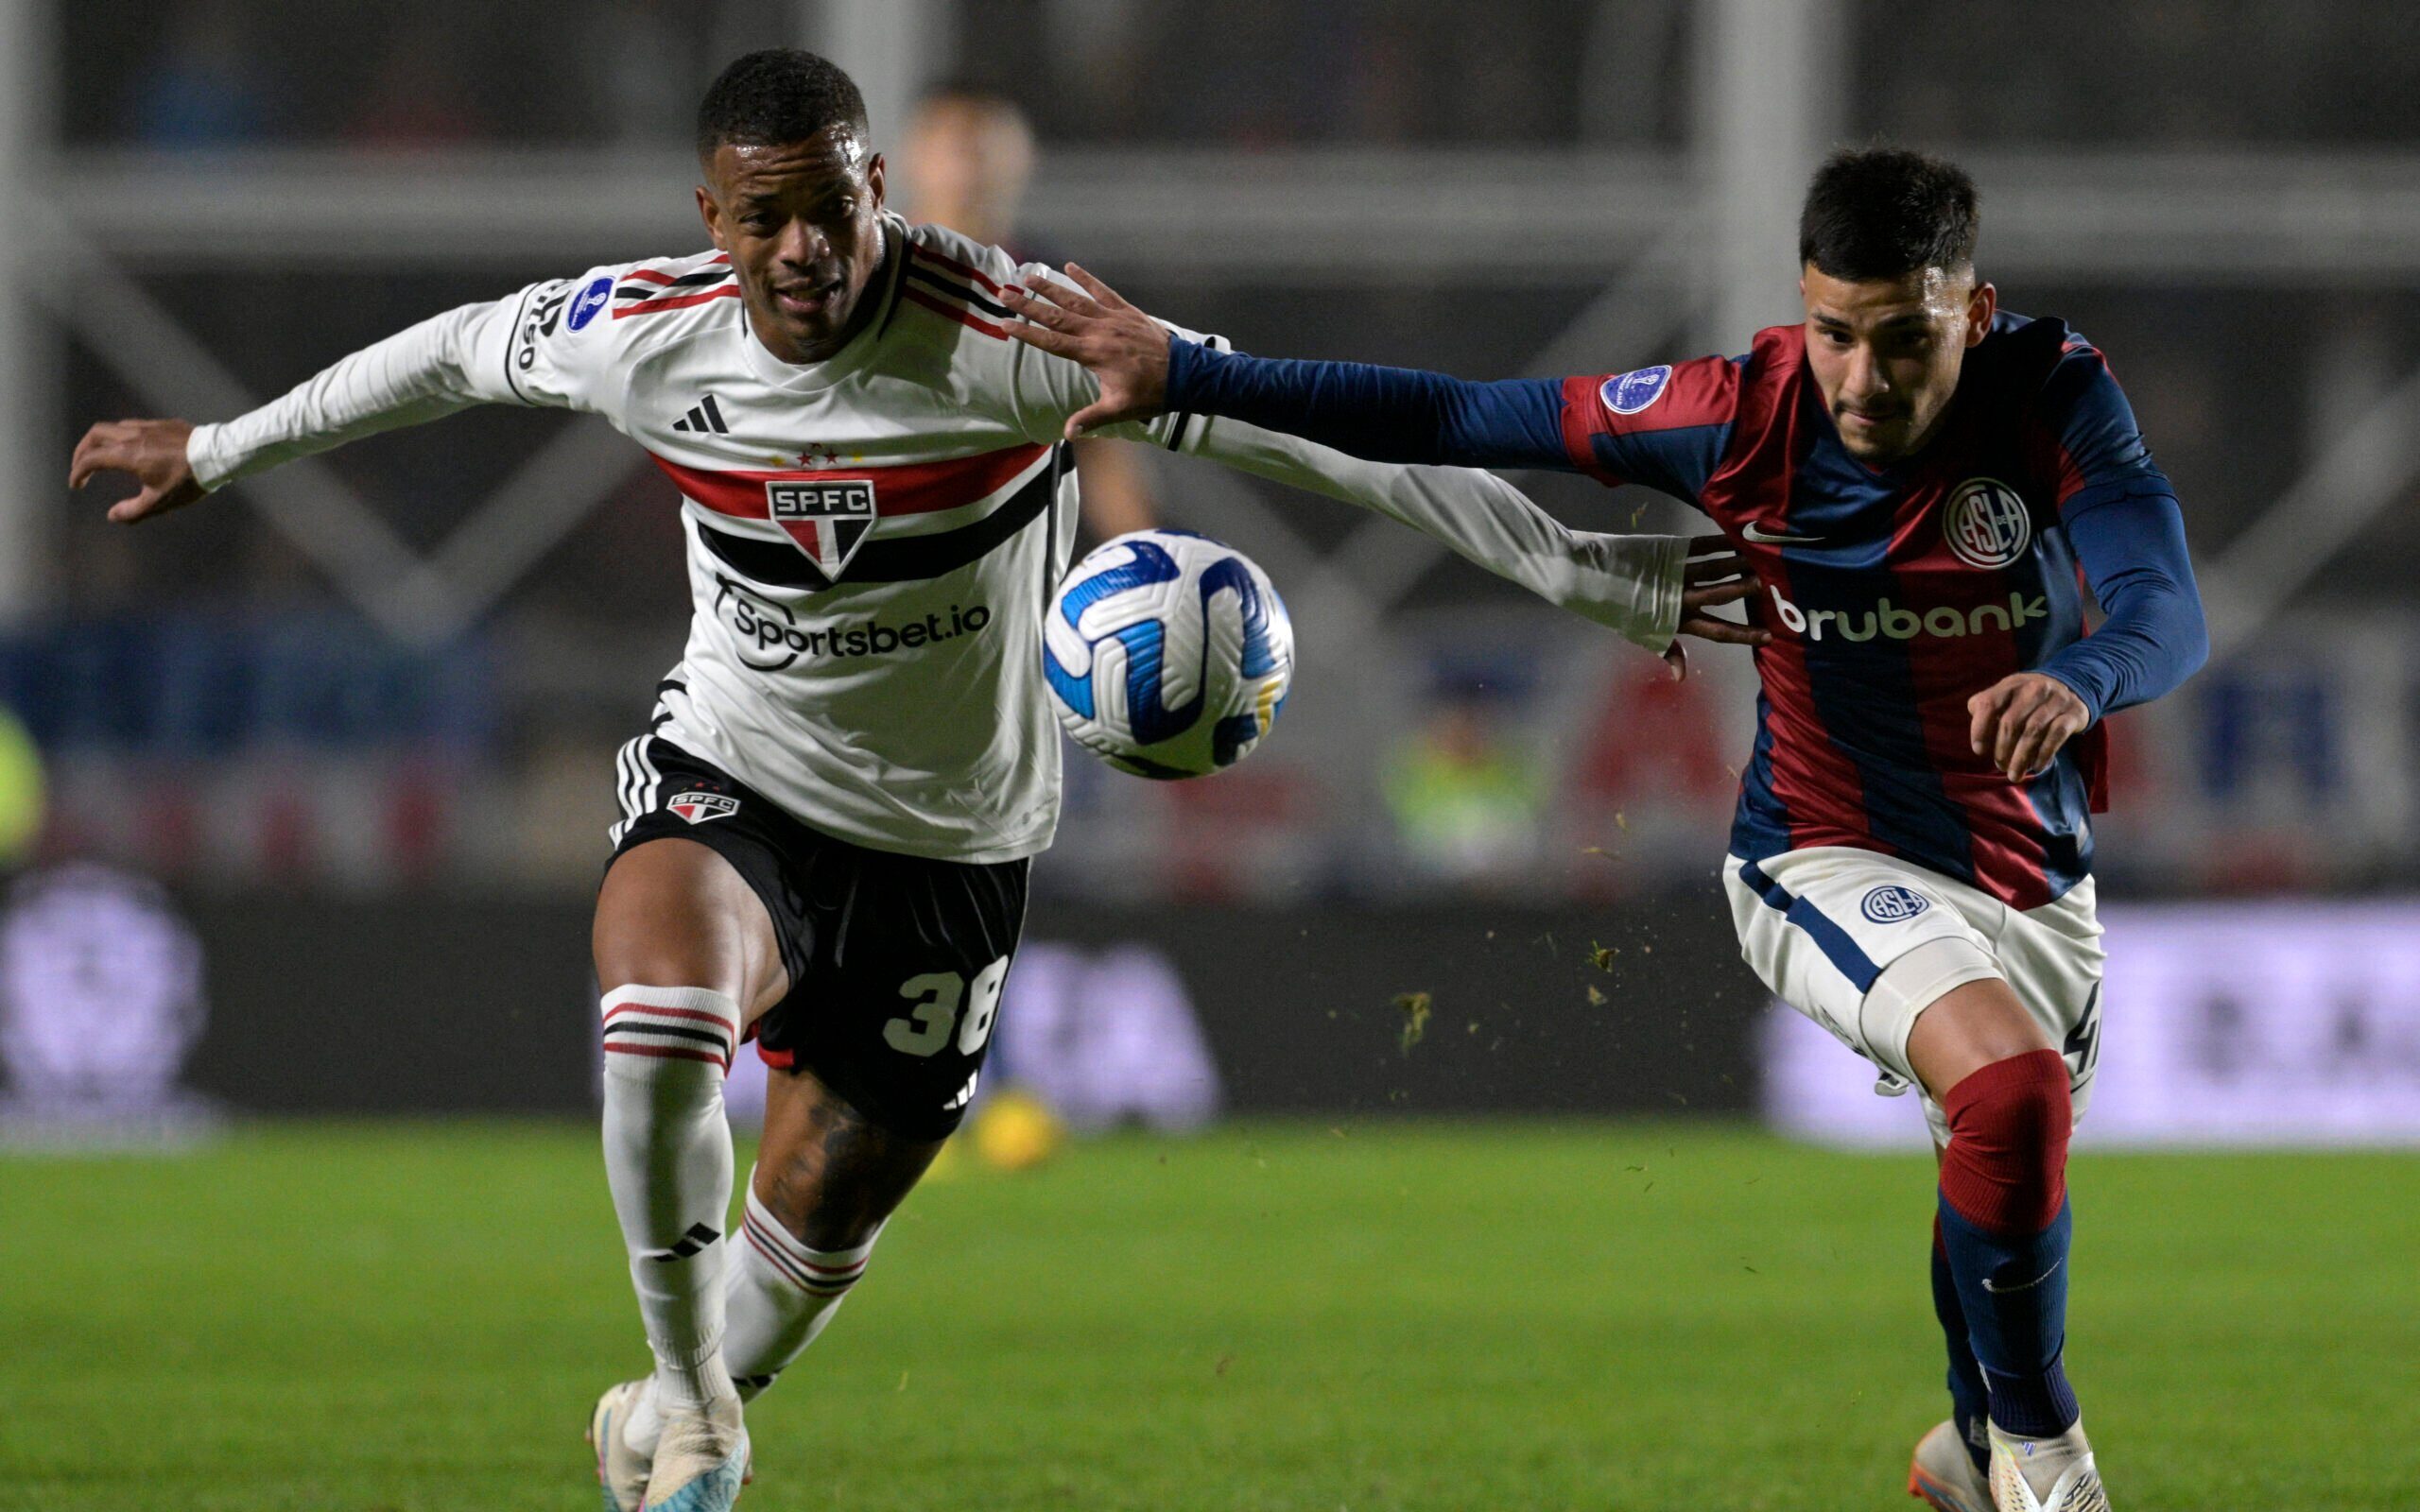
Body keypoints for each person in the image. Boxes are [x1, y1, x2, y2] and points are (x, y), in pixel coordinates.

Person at [68, 49, 1753, 1512]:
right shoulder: (638, 331)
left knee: (816, 1221)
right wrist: (221, 451)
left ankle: (674, 1402)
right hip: (737, 770)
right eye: (761, 218)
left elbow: (1309, 437)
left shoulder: (1014, 336)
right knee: (657, 1018)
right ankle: (692, 1388)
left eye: (831, 207)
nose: (802, 250)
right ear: (711, 218)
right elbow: (444, 355)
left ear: (877, 184)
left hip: (957, 840)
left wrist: (1592, 575)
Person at [1003, 146, 2207, 1512]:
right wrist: (1192, 373)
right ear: (1802, 310)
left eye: (1903, 342)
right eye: (1834, 336)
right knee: (2007, 1091)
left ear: (1972, 316)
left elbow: (2162, 596)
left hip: (2035, 874)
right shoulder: (1735, 416)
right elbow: (1456, 415)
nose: (1862, 382)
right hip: (1825, 853)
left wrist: (2083, 677)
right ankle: (2051, 1466)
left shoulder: (2050, 393)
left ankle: (1966, 1448)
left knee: (1995, 1141)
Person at [895, 81, 1161, 541]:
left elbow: (1103, 448)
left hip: (1009, 558)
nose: (966, 168)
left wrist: (1146, 555)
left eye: (982, 147)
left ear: (1022, 157)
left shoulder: (1058, 293)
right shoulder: (863, 279)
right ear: (912, 156)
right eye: (951, 145)